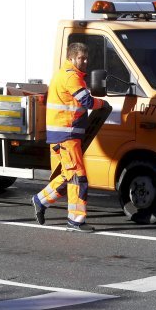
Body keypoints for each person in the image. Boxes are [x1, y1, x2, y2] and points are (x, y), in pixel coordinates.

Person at [32, 42, 110, 233]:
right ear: (71, 58)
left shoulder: (63, 74)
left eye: (85, 58)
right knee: (78, 177)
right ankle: (75, 221)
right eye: (80, 58)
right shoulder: (71, 77)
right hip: (67, 134)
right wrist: (103, 103)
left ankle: (40, 200)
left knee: (68, 176)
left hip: (63, 134)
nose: (84, 61)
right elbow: (88, 101)